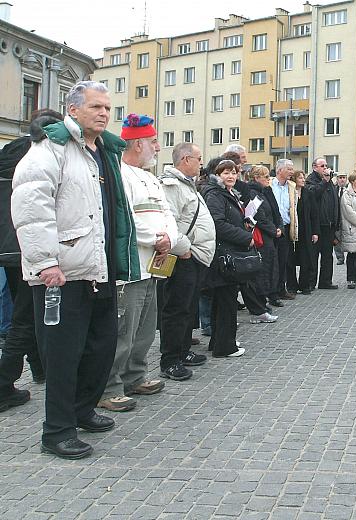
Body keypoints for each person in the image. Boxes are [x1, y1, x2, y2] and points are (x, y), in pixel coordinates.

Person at [12, 81, 140, 459]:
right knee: (63, 355)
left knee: (100, 348)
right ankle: (57, 430)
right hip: (62, 272)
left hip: (97, 268)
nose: (104, 113)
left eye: (107, 108)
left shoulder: (102, 151)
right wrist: (45, 262)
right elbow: (32, 210)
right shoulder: (49, 149)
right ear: (73, 109)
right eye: (96, 107)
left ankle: (83, 411)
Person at [98, 114, 177, 413]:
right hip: (131, 266)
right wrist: (156, 239)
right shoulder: (119, 174)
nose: (158, 148)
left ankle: (135, 375)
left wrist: (168, 237)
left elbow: (166, 214)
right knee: (124, 329)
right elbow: (124, 217)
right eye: (154, 141)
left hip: (154, 264)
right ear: (139, 143)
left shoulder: (150, 177)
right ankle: (109, 387)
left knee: (145, 327)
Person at [0, 110, 59, 412]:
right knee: (26, 317)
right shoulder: (39, 154)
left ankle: (39, 368)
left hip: (8, 247)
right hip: (29, 245)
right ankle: (3, 383)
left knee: (28, 312)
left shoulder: (9, 150)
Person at [158, 143, 216, 381]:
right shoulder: (170, 185)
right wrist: (183, 248)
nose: (201, 163)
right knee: (176, 309)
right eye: (198, 158)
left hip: (195, 255)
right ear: (185, 159)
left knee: (188, 307)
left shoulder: (187, 185)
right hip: (183, 256)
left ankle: (183, 350)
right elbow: (168, 219)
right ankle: (170, 359)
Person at [201, 160, 250, 358]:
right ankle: (225, 346)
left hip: (228, 252)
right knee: (226, 302)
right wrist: (246, 237)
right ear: (217, 174)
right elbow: (217, 224)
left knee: (223, 301)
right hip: (222, 255)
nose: (231, 176)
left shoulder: (228, 193)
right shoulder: (215, 194)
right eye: (226, 173)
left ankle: (219, 341)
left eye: (234, 173)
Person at [243, 166, 280, 324]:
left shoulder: (263, 192)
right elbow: (258, 216)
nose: (268, 179)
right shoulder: (253, 193)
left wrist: (278, 228)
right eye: (265, 176)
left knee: (268, 269)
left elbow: (273, 212)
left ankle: (262, 303)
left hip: (268, 237)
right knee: (261, 271)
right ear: (256, 178)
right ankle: (259, 306)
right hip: (261, 238)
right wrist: (273, 230)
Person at [306, 157, 339, 290]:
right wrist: (325, 181)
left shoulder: (329, 181)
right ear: (315, 167)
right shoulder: (310, 180)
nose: (325, 168)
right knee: (313, 255)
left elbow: (334, 201)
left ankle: (325, 281)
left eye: (326, 165)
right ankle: (310, 282)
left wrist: (336, 222)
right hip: (317, 225)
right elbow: (313, 194)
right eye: (322, 166)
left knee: (327, 255)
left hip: (329, 225)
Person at [288, 170, 319, 295]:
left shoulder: (308, 193)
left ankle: (304, 285)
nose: (303, 180)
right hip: (292, 229)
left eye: (303, 177)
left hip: (306, 229)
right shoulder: (290, 193)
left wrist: (315, 232)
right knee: (290, 259)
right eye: (300, 178)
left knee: (306, 258)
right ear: (295, 179)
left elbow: (314, 214)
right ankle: (291, 286)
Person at [270, 159, 297, 301]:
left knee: (283, 260)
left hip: (285, 227)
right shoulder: (269, 184)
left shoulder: (291, 186)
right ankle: (272, 291)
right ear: (279, 170)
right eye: (289, 169)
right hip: (271, 227)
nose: (292, 172)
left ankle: (281, 288)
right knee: (272, 261)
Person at [333, 172, 349, 265]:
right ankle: (340, 257)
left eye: (344, 177)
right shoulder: (334, 189)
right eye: (340, 178)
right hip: (337, 217)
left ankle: (350, 255)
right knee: (336, 239)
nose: (342, 179)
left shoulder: (349, 189)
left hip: (347, 217)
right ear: (337, 179)